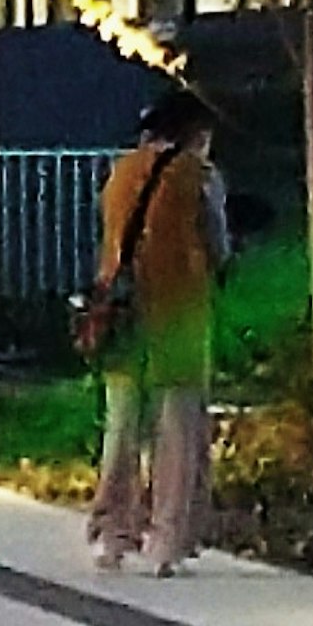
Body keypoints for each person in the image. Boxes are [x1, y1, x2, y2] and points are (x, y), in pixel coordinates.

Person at [87, 88, 232, 574]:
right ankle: (168, 541)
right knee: (179, 428)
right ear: (196, 133)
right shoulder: (200, 176)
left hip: (121, 311)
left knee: (122, 423)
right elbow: (217, 244)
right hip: (178, 311)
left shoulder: (120, 172)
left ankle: (112, 532)